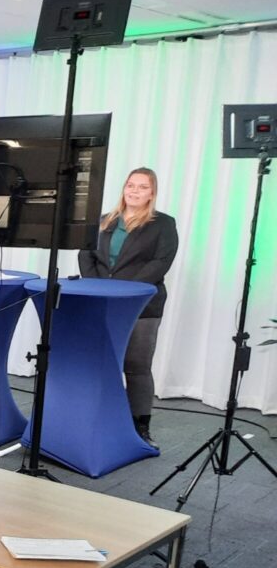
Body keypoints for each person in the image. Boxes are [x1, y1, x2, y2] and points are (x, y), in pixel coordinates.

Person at [78, 166, 179, 445]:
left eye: (143, 187)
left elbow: (160, 263)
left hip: (142, 305)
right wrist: (99, 288)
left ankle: (140, 428)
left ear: (152, 193)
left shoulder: (163, 224)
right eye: (131, 185)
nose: (135, 191)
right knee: (100, 363)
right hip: (102, 302)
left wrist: (125, 291)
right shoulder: (104, 221)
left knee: (136, 366)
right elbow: (86, 255)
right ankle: (99, 420)